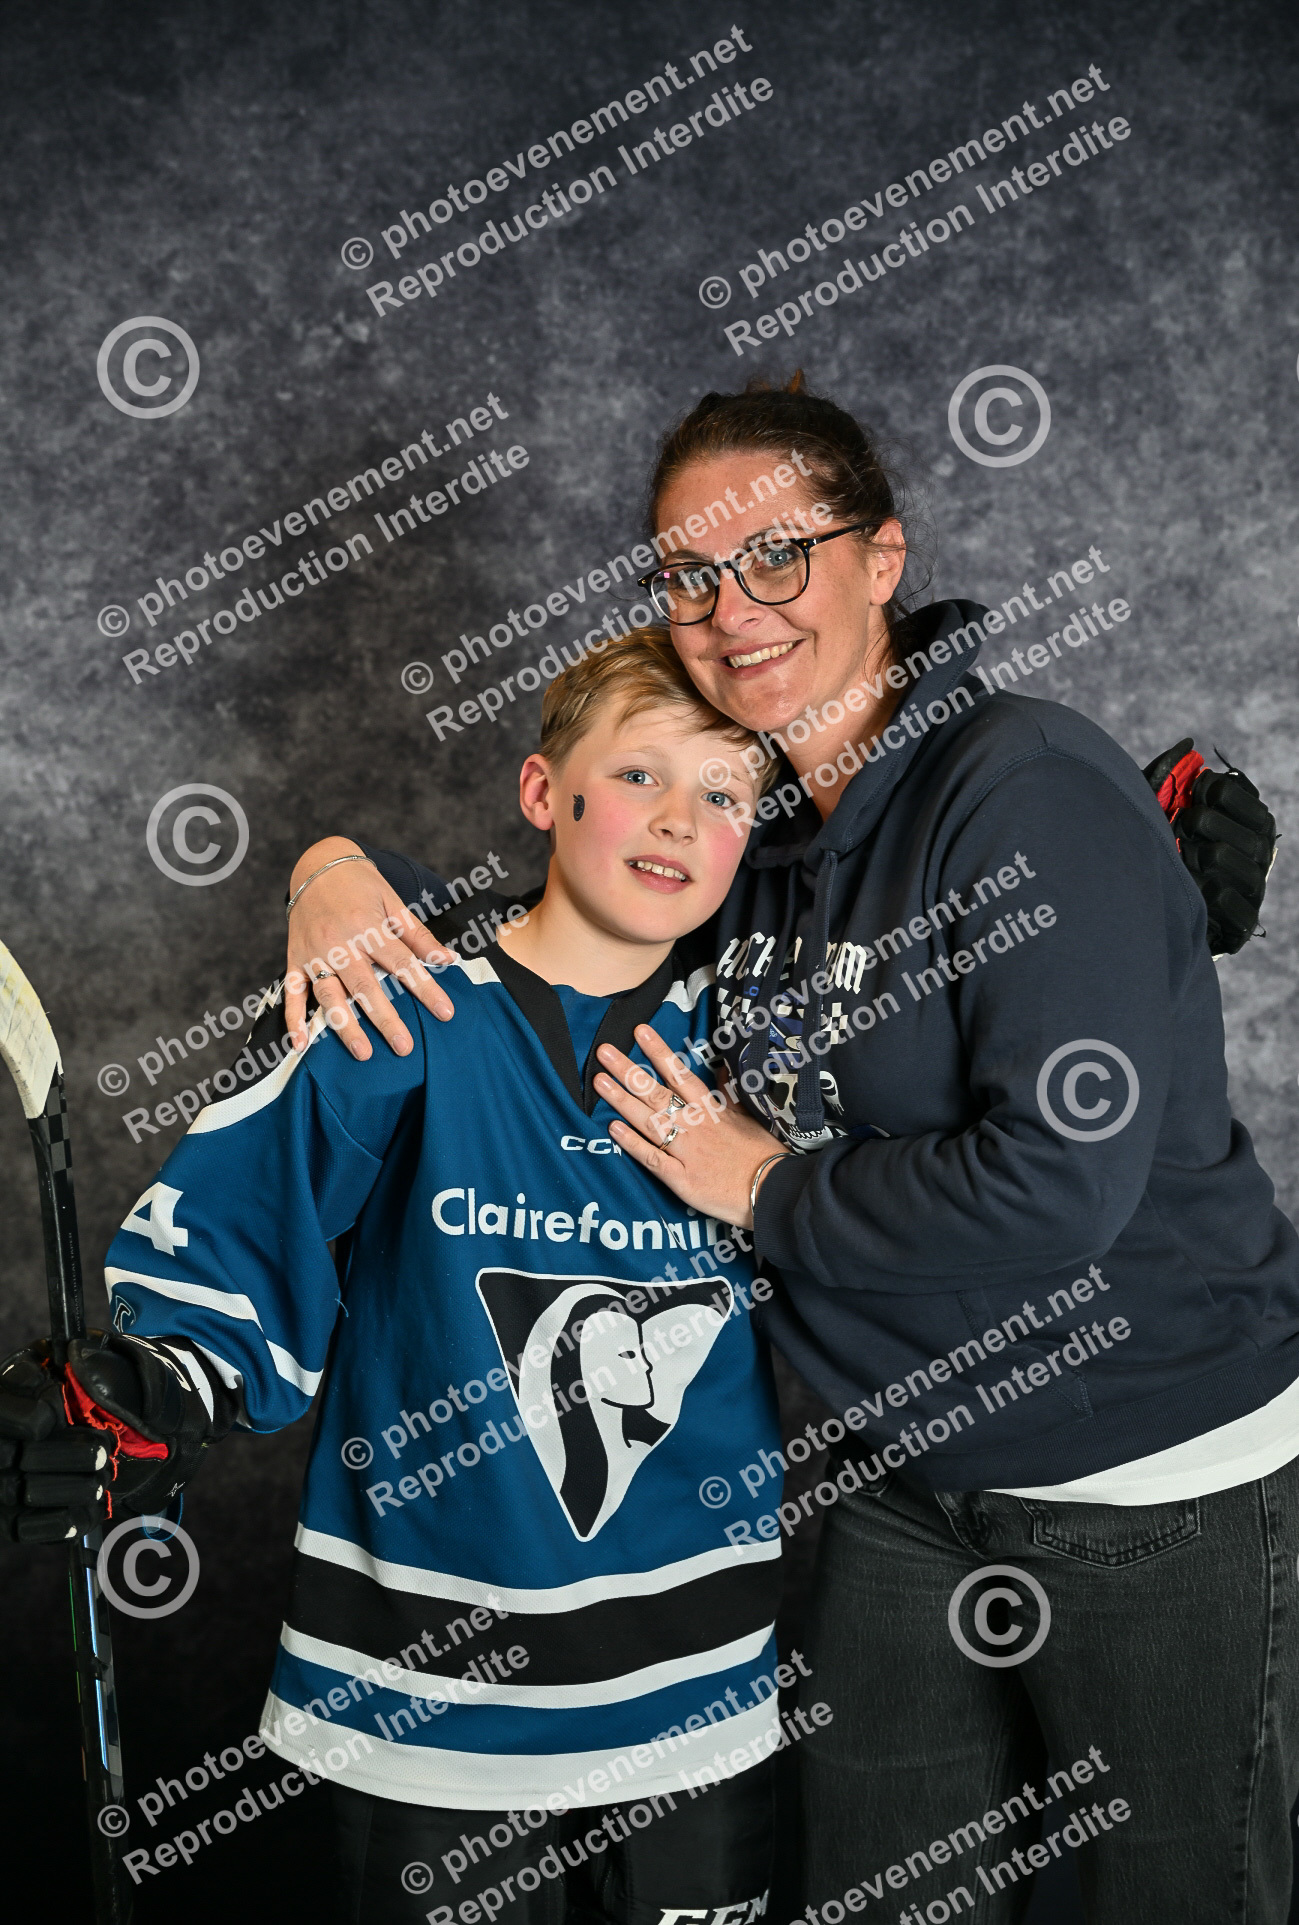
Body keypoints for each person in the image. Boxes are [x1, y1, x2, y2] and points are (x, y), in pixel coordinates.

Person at [281, 376, 1293, 1921]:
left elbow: (1060, 1182)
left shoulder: (1017, 780)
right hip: (905, 1470)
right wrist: (338, 867)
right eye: (688, 572)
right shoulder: (757, 837)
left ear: (882, 558)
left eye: (777, 555)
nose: (732, 608)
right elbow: (567, 939)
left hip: (1150, 1469)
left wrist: (761, 1181)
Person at [0, 631, 792, 1925]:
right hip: (432, 1699)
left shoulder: (767, 1040)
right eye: (638, 772)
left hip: (698, 1689)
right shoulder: (401, 1014)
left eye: (723, 792)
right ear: (543, 791)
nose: (678, 818)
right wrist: (145, 1391)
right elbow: (248, 1236)